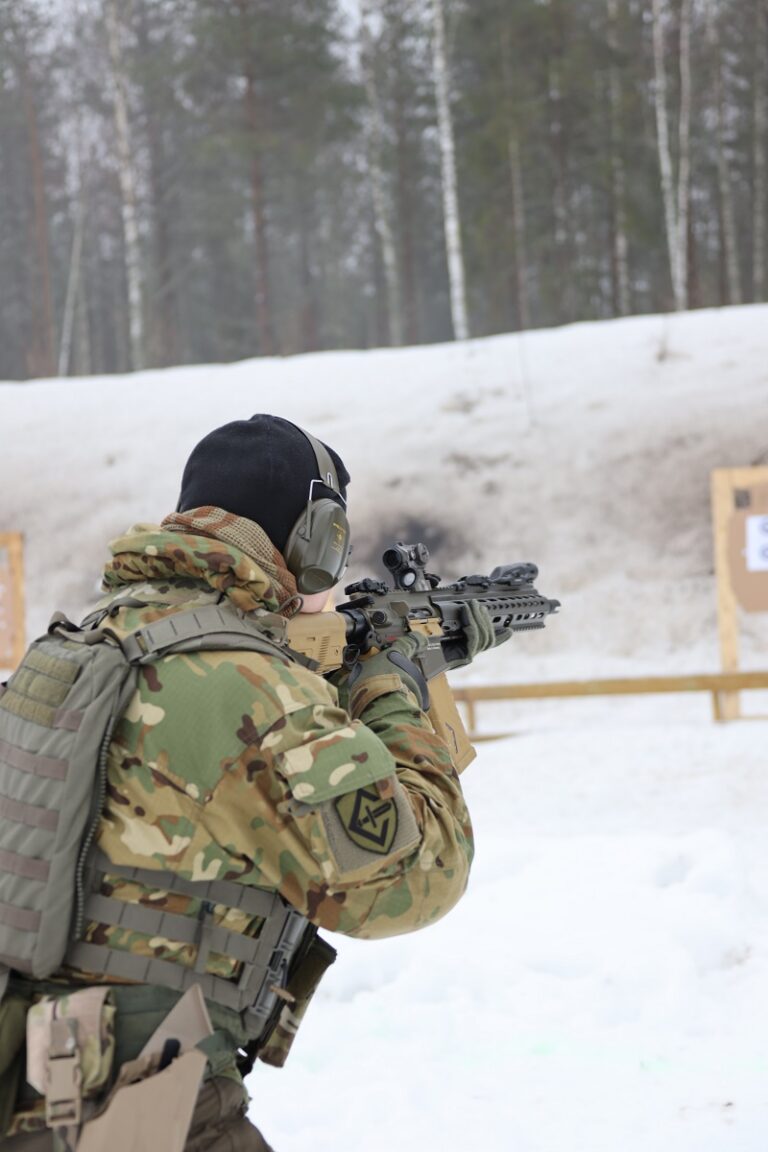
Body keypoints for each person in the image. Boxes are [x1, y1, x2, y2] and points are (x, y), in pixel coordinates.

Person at [1, 414, 487, 1150]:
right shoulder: (250, 687)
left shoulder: (76, 648)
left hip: (31, 1076)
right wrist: (391, 690)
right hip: (141, 1103)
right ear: (313, 546)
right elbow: (414, 880)